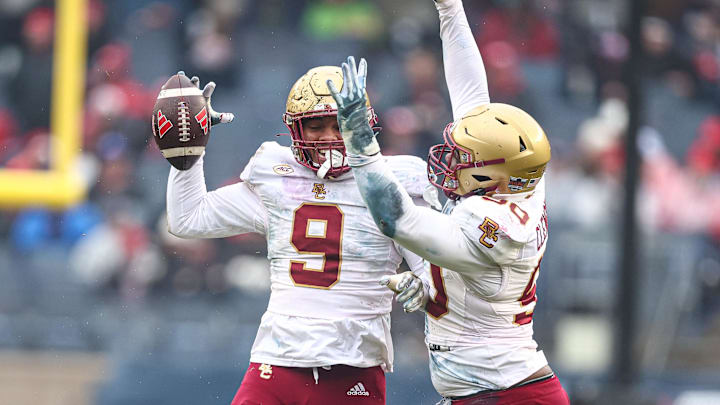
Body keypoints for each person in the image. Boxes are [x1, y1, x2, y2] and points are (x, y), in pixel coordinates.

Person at [327, 0, 570, 404]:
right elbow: (471, 96)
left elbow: (395, 220)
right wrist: (450, 9)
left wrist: (360, 141)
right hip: (491, 390)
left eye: (464, 158)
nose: (450, 160)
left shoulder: (492, 224)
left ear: (492, 174)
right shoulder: (517, 180)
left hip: (506, 394)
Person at [164, 66, 434, 405]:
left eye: (339, 124)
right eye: (316, 125)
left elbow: (435, 277)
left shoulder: (395, 182)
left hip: (352, 364)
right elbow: (188, 218)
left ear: (362, 125)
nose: (328, 136)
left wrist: (423, 288)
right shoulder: (277, 175)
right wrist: (189, 152)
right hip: (277, 359)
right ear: (295, 128)